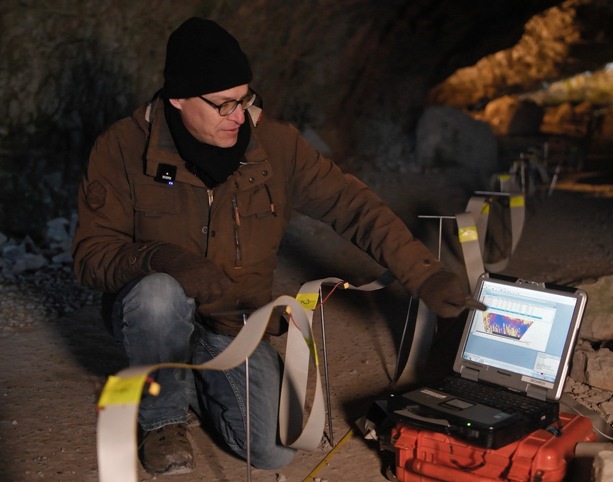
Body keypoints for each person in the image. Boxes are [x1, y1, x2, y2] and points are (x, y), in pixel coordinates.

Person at [72, 17, 479, 476]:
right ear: (179, 99)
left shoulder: (276, 146)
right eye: (224, 105)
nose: (239, 116)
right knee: (158, 295)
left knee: (271, 452)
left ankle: (193, 375)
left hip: (236, 317)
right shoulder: (122, 148)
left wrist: (423, 273)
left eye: (244, 99)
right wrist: (162, 258)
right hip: (157, 308)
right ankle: (162, 417)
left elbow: (353, 206)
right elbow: (90, 256)